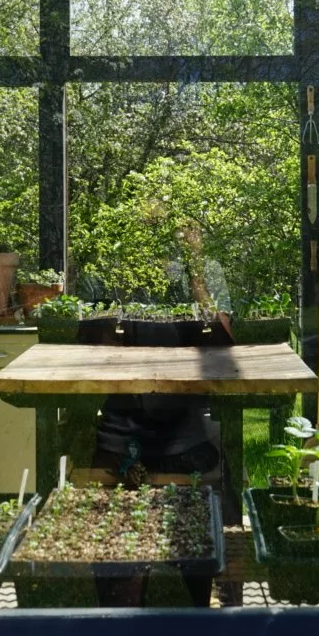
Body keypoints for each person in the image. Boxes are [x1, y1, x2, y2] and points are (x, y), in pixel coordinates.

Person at [88, 220, 231, 607]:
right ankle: (130, 603)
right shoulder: (111, 274)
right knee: (120, 549)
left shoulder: (200, 274)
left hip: (183, 432)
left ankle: (196, 601)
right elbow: (92, 342)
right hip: (125, 433)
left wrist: (196, 270)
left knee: (198, 531)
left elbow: (219, 337)